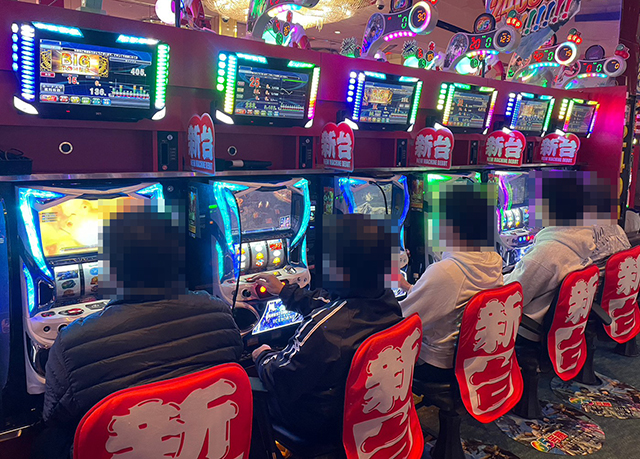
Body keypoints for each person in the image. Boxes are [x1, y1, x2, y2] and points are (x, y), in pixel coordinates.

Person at [32, 203, 243, 459]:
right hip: (204, 447)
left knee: (45, 440)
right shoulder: (219, 313)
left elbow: (53, 415)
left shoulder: (72, 342)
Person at [251, 214, 403, 445]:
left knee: (249, 394)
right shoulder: (387, 301)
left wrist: (262, 355)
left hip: (321, 423)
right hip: (366, 411)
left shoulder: (325, 331)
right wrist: (284, 291)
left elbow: (281, 378)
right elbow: (332, 304)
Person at [505, 171, 630, 341]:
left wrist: (496, 276)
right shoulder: (584, 241)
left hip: (531, 328)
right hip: (565, 323)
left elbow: (512, 296)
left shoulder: (548, 253)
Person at [398, 181, 503, 379]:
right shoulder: (492, 261)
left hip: (438, 363)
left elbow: (402, 319)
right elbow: (444, 297)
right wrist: (407, 286)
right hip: (475, 356)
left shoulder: (447, 272)